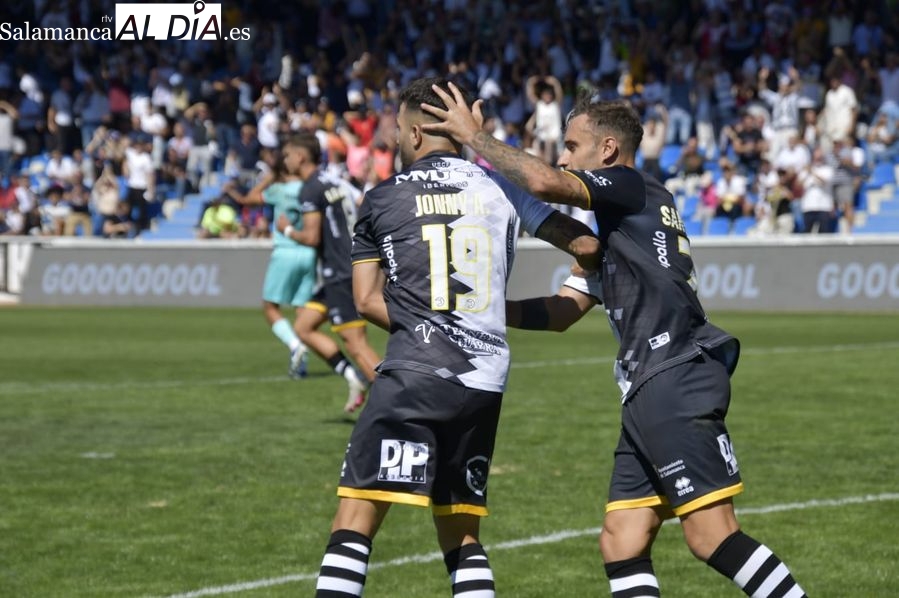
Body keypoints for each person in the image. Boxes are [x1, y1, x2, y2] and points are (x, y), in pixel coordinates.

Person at [423, 84, 807, 598]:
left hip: (672, 374)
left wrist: (475, 138)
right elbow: (563, 312)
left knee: (712, 536)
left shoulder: (629, 185)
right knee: (621, 540)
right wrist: (487, 310)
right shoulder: (622, 231)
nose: (563, 156)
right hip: (649, 387)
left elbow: (542, 180)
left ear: (606, 152)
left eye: (571, 146)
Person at [313, 77, 599, 598]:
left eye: (399, 132)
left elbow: (366, 301)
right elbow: (584, 244)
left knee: (354, 519)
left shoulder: (380, 199)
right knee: (461, 534)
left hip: (414, 375)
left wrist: (431, 323)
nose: (397, 142)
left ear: (417, 134)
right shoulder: (504, 189)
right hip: (483, 383)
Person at [273, 133, 379, 414]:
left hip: (341, 272)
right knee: (304, 326)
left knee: (356, 345)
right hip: (347, 266)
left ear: (300, 156)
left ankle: (395, 405)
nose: (285, 161)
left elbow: (311, 237)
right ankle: (353, 376)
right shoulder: (334, 180)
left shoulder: (310, 189)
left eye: (287, 155)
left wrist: (285, 229)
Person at [233, 136, 317, 379]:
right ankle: (300, 365)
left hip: (286, 250)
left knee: (270, 307)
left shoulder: (278, 190)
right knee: (303, 312)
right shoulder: (309, 188)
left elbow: (249, 198)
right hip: (309, 253)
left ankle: (295, 346)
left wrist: (269, 178)